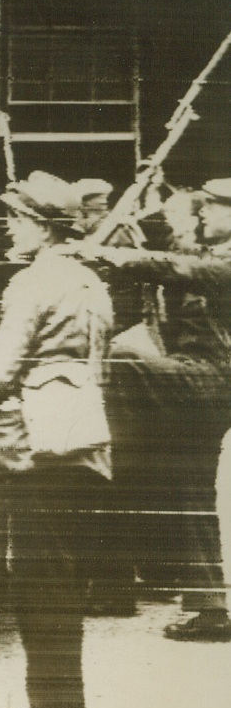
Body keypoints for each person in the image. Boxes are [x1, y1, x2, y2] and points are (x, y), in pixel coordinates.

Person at [0, 171, 113, 708]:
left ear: (38, 225)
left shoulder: (31, 282)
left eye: (14, 218)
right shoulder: (89, 283)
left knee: (40, 582)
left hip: (35, 446)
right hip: (82, 439)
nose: (8, 226)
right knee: (61, 576)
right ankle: (60, 706)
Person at [81, 177, 231, 642]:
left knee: (121, 364)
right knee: (189, 490)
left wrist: (115, 255)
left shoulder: (220, 263)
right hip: (199, 385)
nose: (204, 214)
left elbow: (180, 268)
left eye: (214, 208)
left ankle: (121, 579)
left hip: (209, 380)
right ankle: (207, 608)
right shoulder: (210, 256)